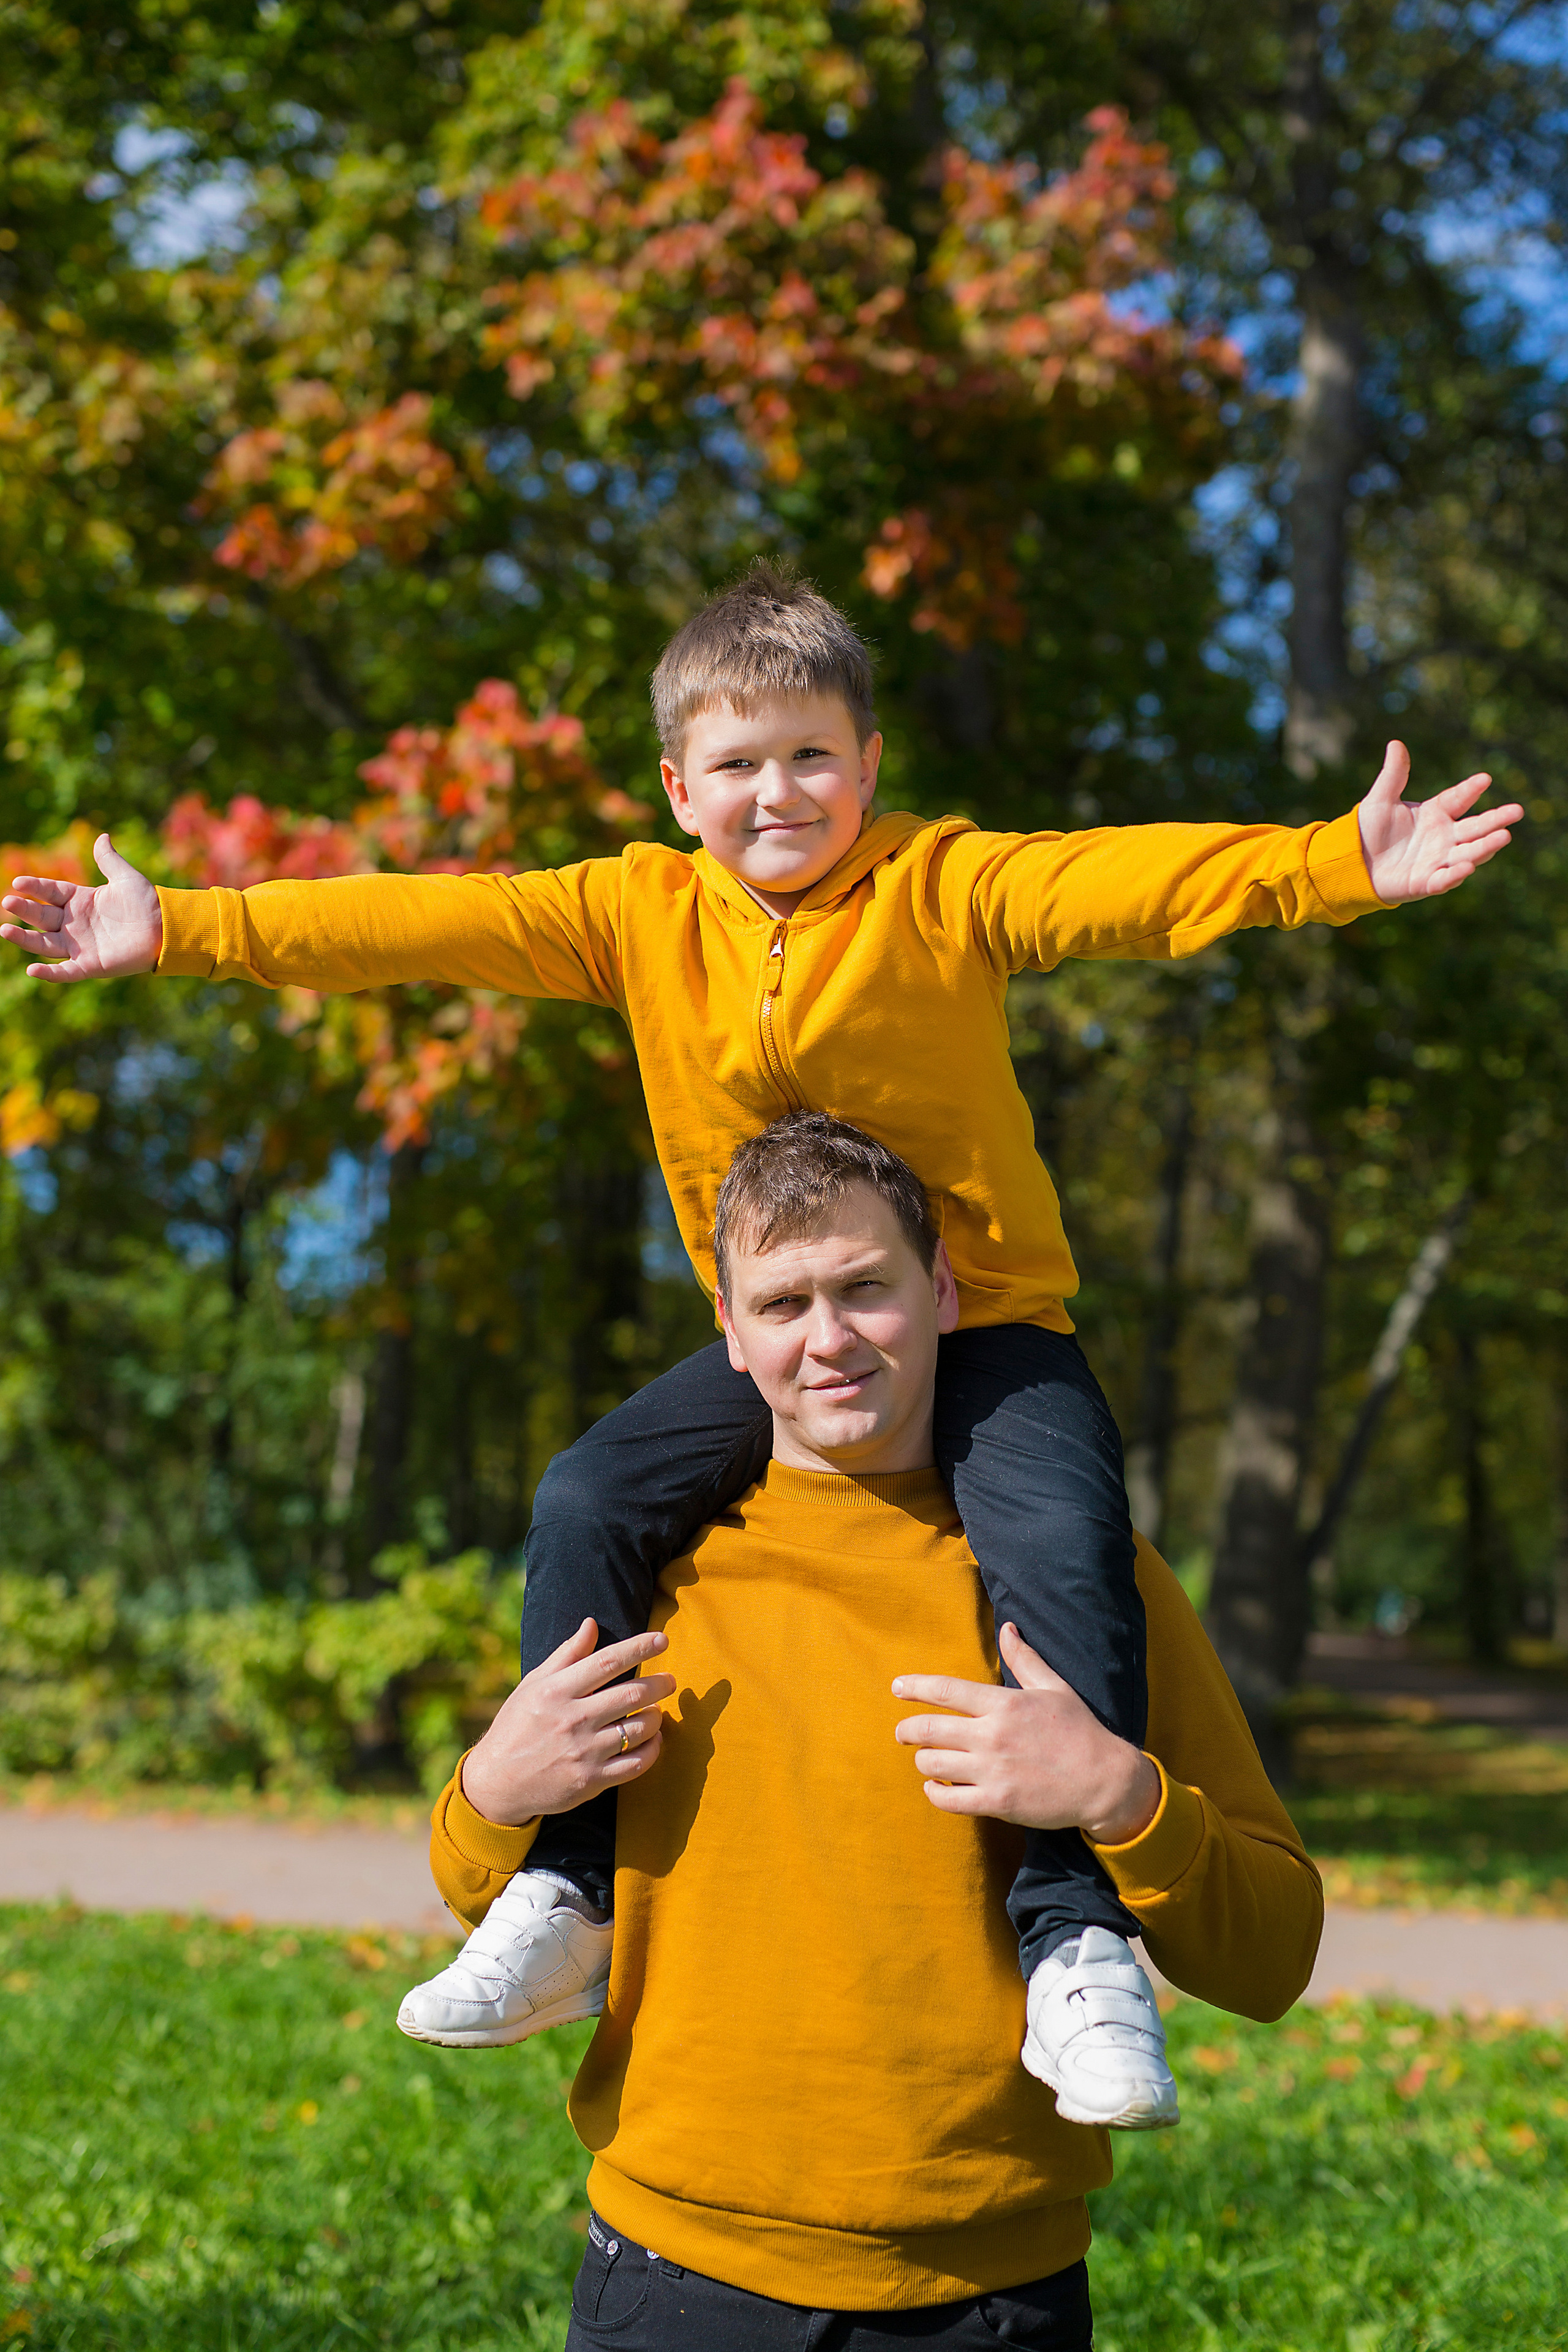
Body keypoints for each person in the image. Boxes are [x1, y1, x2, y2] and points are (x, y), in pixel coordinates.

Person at [0, 568, 1515, 2127]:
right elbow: (423, 920)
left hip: (989, 1326)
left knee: (1063, 1544)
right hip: (780, 1343)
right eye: (736, 764)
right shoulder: (635, 913)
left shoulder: (943, 886)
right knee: (589, 1495)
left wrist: (1333, 863)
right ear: (678, 789)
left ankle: (1072, 1943)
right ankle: (570, 1891)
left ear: (867, 766)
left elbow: (1122, 884)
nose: (776, 793)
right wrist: (184, 928)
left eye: (810, 758)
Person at [423, 1115, 1325, 2349]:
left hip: (985, 2305)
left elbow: (1272, 1959)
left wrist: (1122, 1798)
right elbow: (485, 1902)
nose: (829, 1339)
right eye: (782, 1304)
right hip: (666, 2282)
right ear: (729, 1332)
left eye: (864, 1289)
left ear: (942, 1291)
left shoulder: (1085, 1588)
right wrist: (491, 1788)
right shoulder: (644, 1577)